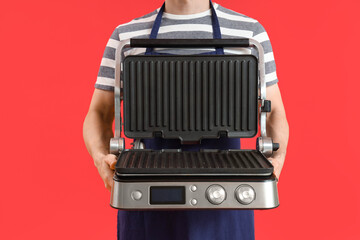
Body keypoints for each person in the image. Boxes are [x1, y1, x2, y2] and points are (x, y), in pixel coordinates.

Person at [83, 0, 289, 239]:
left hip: (226, 187)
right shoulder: (126, 36)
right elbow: (98, 113)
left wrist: (277, 157)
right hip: (148, 183)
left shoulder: (249, 32)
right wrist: (100, 158)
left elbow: (274, 112)